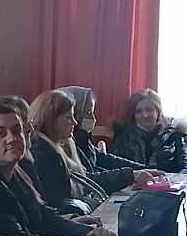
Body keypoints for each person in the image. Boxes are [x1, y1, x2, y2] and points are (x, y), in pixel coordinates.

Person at [0, 96, 120, 236]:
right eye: (0, 133)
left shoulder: (17, 171)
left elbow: (42, 217)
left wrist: (88, 233)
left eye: (17, 131)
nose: (11, 138)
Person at [30, 87, 161, 208]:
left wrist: (141, 170)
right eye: (70, 117)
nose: (75, 122)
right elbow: (81, 182)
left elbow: (100, 163)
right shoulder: (44, 152)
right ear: (51, 119)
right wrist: (130, 175)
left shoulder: (69, 141)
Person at [110, 89, 187, 173]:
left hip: (168, 180)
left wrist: (173, 179)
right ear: (133, 115)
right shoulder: (123, 137)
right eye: (139, 111)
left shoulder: (174, 134)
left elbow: (184, 167)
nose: (145, 115)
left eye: (149, 110)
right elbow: (115, 168)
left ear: (158, 111)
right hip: (134, 180)